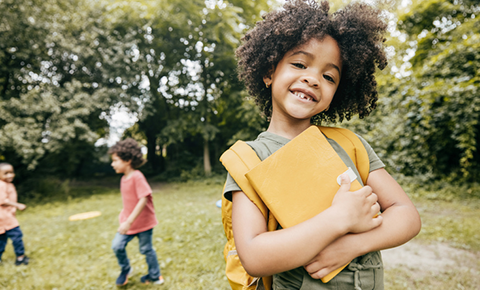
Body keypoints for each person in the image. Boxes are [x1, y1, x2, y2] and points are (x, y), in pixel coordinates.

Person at [223, 1, 422, 289]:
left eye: (329, 76)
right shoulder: (247, 160)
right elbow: (254, 256)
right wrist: (340, 218)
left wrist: (351, 246)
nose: (313, 79)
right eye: (299, 64)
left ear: (337, 93)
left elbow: (407, 216)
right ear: (269, 72)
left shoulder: (350, 144)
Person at [108, 138, 164, 286]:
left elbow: (143, 198)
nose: (112, 164)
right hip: (128, 224)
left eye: (115, 160)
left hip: (143, 223)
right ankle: (125, 269)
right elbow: (128, 201)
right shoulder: (123, 179)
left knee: (146, 250)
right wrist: (124, 217)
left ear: (127, 160)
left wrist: (129, 221)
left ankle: (155, 275)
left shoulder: (137, 176)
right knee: (117, 246)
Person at [0, 162, 29, 266]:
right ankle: (20, 258)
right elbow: (2, 200)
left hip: (5, 218)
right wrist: (17, 205)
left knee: (2, 241)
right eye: (6, 173)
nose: (10, 175)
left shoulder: (8, 184)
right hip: (6, 219)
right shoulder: (1, 185)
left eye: (11, 172)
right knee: (17, 236)